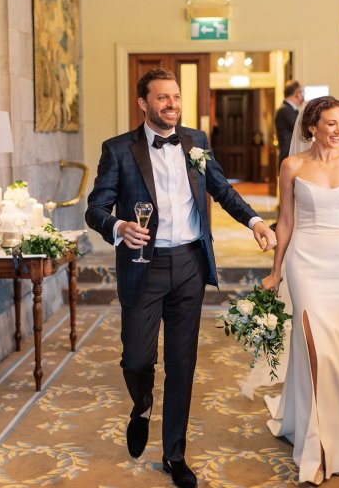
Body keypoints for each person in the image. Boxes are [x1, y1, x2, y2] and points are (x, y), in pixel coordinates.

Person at [85, 68, 277, 488]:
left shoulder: (196, 142)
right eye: (162, 98)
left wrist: (255, 221)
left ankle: (175, 455)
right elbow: (95, 208)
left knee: (182, 364)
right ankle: (141, 405)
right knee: (137, 359)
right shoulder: (118, 150)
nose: (171, 105)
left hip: (189, 263)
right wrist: (118, 228)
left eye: (175, 97)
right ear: (143, 103)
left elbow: (222, 189)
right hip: (143, 265)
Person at [261, 96, 339, 485]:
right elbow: (285, 221)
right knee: (315, 344)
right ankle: (315, 442)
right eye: (330, 123)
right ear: (311, 126)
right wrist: (276, 270)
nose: (337, 130)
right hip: (306, 261)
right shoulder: (292, 165)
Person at [275, 80, 304, 169]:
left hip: (291, 157)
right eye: (302, 93)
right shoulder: (285, 110)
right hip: (288, 157)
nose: (303, 96)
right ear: (297, 94)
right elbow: (301, 129)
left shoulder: (287, 110)